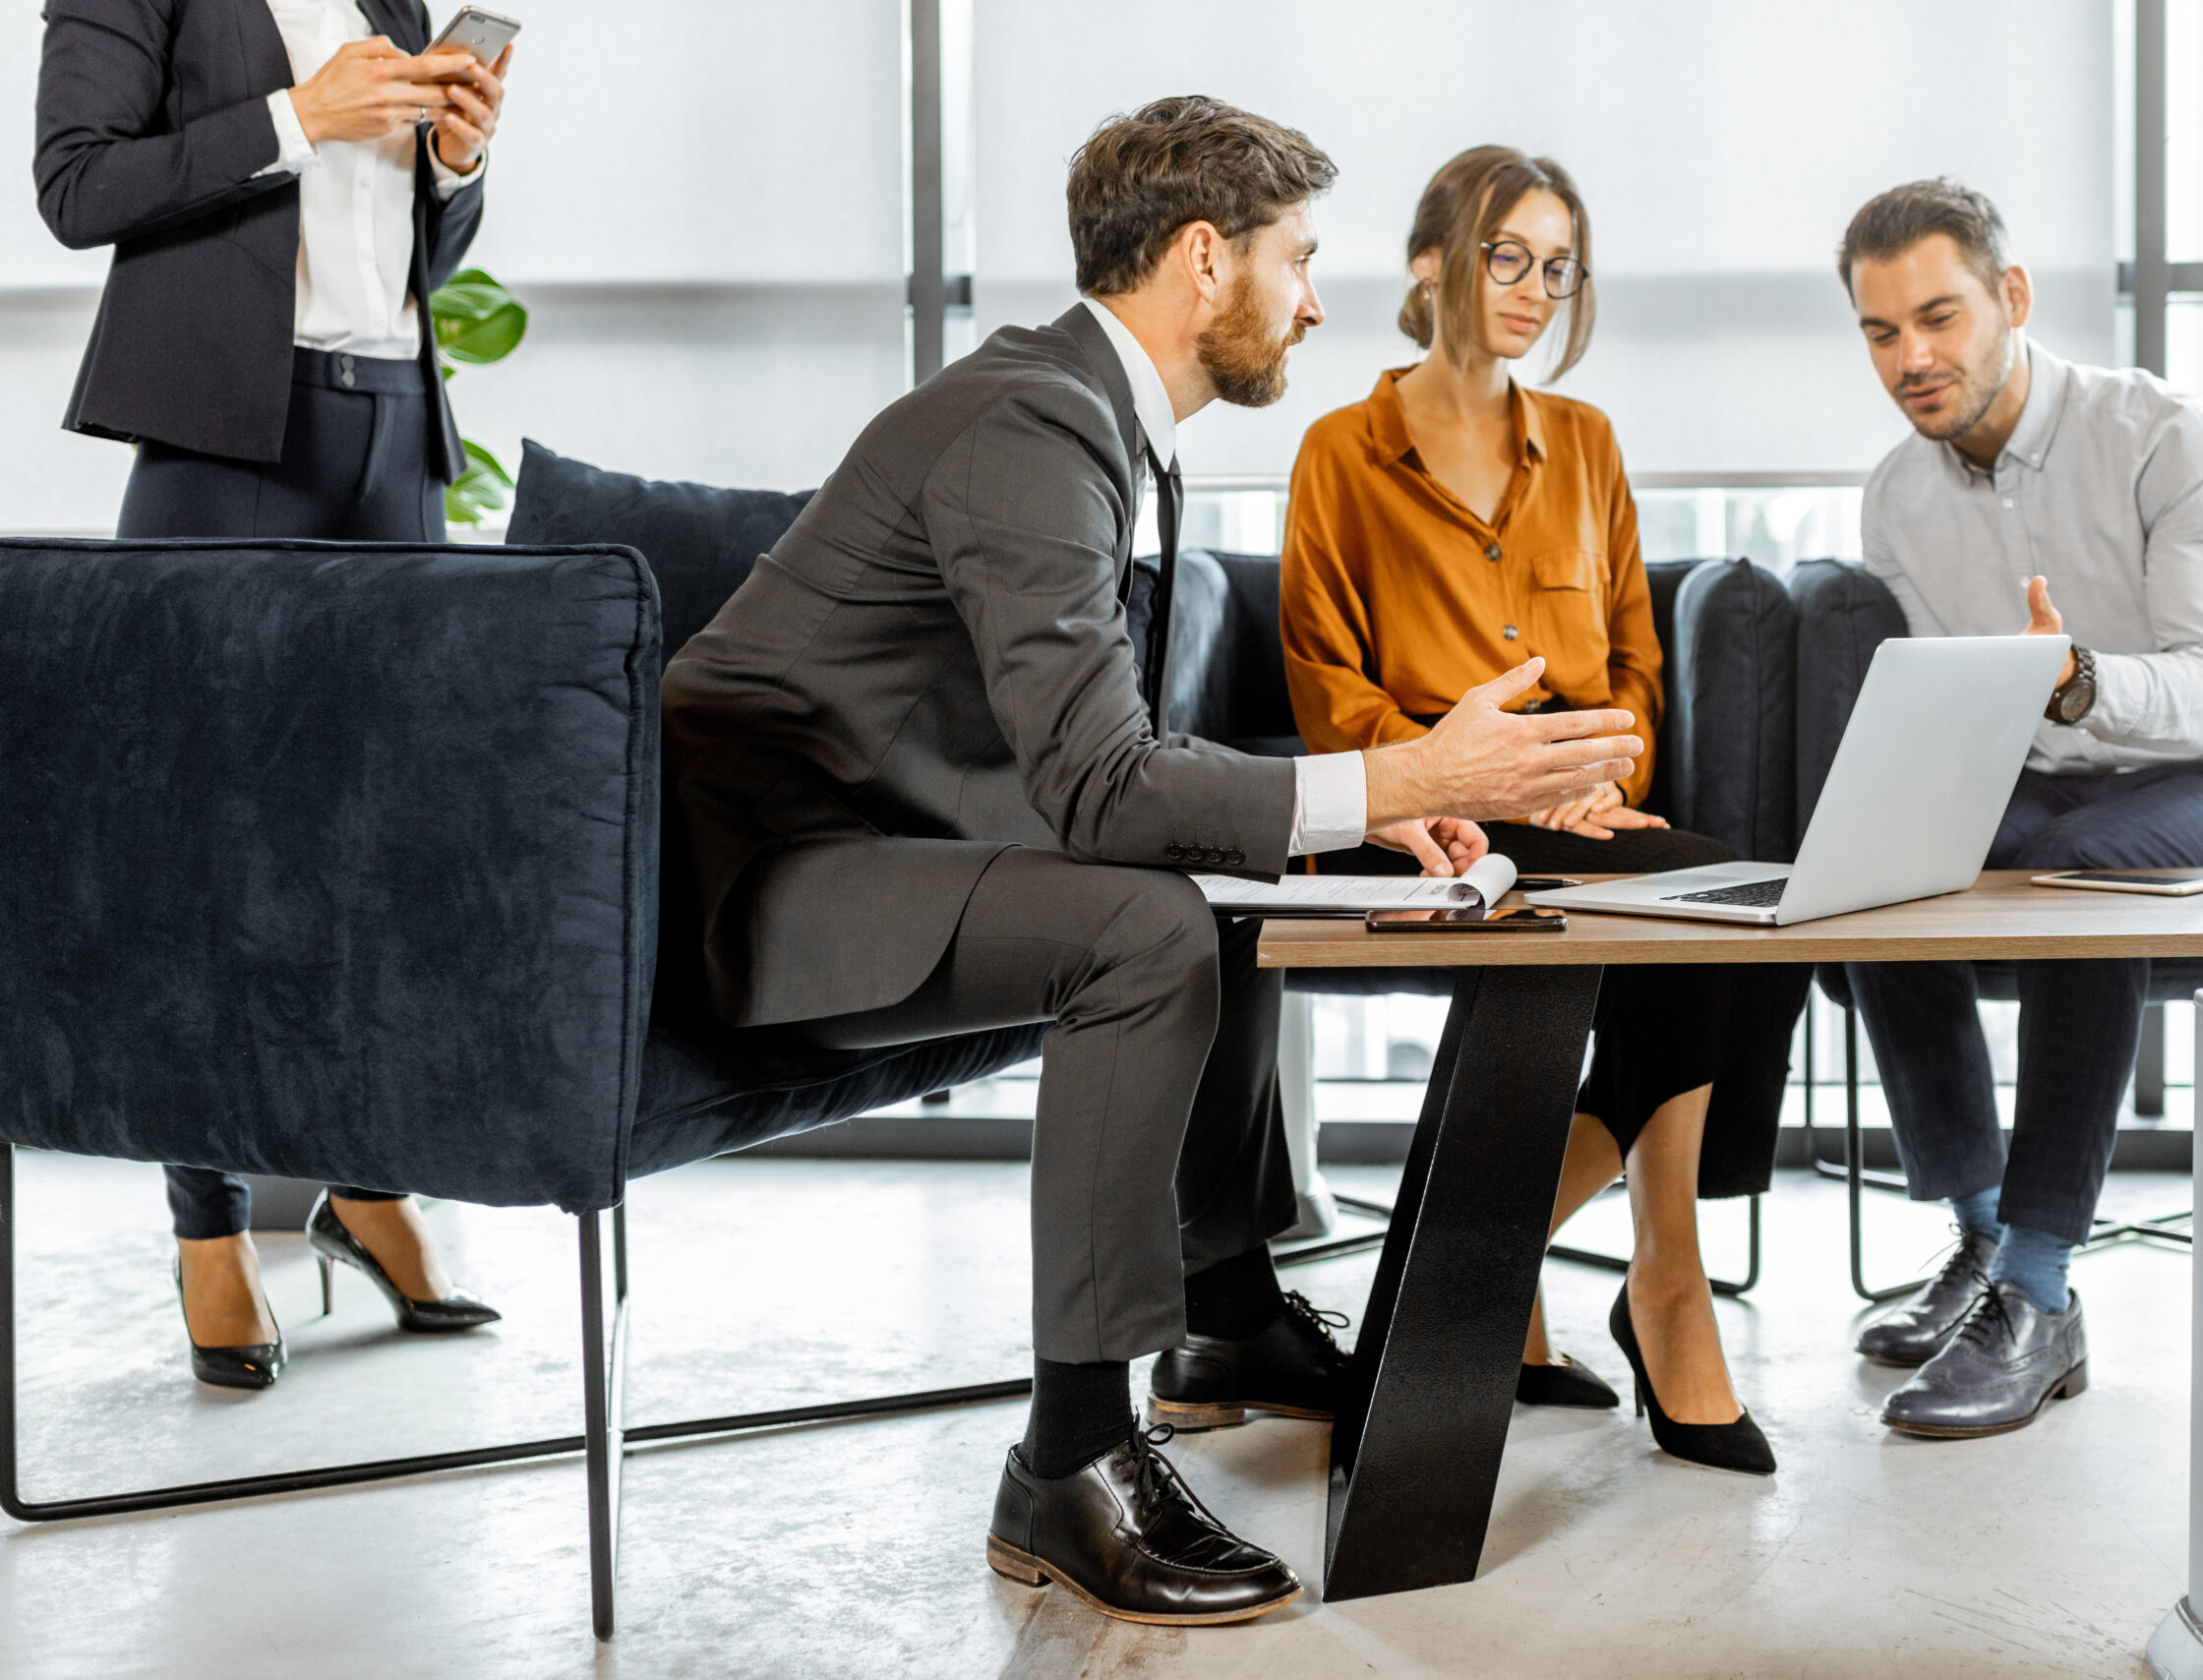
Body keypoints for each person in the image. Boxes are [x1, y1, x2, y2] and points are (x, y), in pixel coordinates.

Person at [662, 97, 1645, 1627]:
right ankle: (1068, 1464)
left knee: (1227, 876)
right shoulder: (1036, 422)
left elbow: (1099, 761)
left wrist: (1360, 806)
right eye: (1297, 259)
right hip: (775, 896)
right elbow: (1105, 788)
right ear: (1206, 259)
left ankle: (1227, 1310)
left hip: (880, 844)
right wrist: (1405, 768)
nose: (1318, 299)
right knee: (1146, 928)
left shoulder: (1098, 416)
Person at [1278, 146, 1810, 1475]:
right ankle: (1650, 1293)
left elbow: (1633, 663)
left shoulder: (1586, 443)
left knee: (1747, 899)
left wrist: (1599, 780)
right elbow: (1327, 686)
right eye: (1507, 256)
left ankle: (1504, 1259)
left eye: (1556, 268)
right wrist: (1458, 780)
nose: (1533, 289)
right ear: (1429, 266)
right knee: (1710, 913)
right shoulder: (1341, 452)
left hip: (1579, 812)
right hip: (1423, 812)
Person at [35, 0, 514, 1391]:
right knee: (193, 858)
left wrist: (457, 165)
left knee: (386, 851)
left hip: (391, 435)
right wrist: (295, 118)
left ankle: (367, 1185)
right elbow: (73, 186)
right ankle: (207, 1223)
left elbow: (412, 252)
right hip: (222, 441)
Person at [1834, 179, 2203, 1436]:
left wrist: (2081, 677)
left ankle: (2040, 1292)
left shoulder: (2163, 434)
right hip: (2046, 780)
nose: (1912, 358)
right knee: (1874, 861)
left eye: (1937, 316)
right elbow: (1975, 712)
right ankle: (1982, 1238)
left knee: (2081, 877)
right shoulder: (1897, 495)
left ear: (2013, 298)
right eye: (1881, 332)